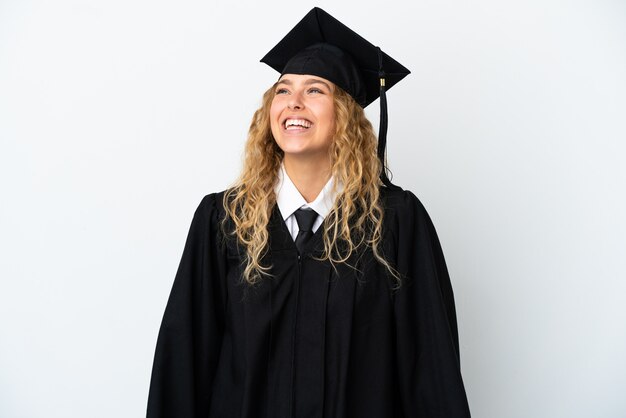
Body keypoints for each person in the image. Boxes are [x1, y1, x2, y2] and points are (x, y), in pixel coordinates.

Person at [147, 7, 471, 418]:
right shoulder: (225, 219)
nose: (294, 103)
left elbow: (430, 368)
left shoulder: (394, 221)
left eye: (315, 90)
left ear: (347, 114)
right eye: (283, 90)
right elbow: (183, 363)